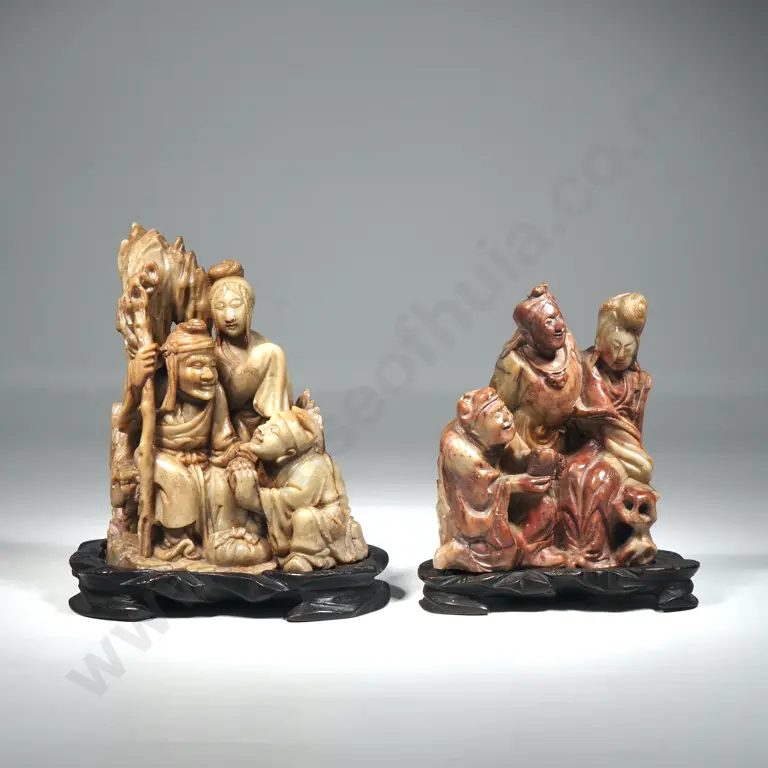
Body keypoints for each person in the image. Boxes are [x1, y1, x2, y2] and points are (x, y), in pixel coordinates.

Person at [109, 320, 272, 568]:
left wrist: (240, 457)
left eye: (212, 366)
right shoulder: (156, 391)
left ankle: (222, 540)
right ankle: (175, 544)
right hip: (158, 459)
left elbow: (223, 442)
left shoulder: (215, 394)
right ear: (173, 367)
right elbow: (125, 426)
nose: (208, 375)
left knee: (223, 482)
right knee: (178, 479)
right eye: (197, 366)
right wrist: (135, 382)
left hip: (203, 464)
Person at [558, 293, 658, 567]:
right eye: (614, 346)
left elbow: (631, 431)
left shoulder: (638, 381)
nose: (619, 355)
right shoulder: (583, 368)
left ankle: (595, 552)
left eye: (628, 349)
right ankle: (573, 549)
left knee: (598, 479)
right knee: (572, 473)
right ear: (601, 340)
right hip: (585, 444)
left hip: (621, 452)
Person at [489, 284, 583, 566]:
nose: (558, 326)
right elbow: (496, 411)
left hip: (567, 439)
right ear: (529, 333)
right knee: (543, 498)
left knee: (582, 483)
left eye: (558, 317)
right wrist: (525, 455)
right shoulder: (514, 364)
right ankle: (533, 549)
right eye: (548, 322)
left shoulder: (569, 344)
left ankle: (579, 544)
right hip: (524, 447)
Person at [235, 406, 368, 573]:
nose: (261, 429)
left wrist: (255, 498)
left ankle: (308, 558)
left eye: (273, 431)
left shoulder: (314, 465)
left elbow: (296, 499)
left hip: (330, 519)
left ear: (289, 453)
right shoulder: (274, 462)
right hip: (293, 518)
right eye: (267, 424)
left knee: (303, 517)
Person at [433, 388, 547, 572]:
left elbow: (519, 455)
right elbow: (484, 485)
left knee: (546, 505)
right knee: (504, 554)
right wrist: (519, 483)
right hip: (474, 512)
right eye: (497, 414)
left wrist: (537, 458)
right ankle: (459, 550)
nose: (507, 417)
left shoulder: (501, 429)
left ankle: (536, 551)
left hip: (503, 500)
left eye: (504, 409)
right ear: (478, 425)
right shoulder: (456, 446)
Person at [207, 260, 293, 440]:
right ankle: (277, 424)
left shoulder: (259, 341)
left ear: (250, 307)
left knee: (271, 352)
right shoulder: (213, 351)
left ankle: (277, 423)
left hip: (257, 417)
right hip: (232, 407)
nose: (229, 317)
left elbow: (283, 386)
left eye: (235, 305)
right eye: (220, 308)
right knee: (271, 352)